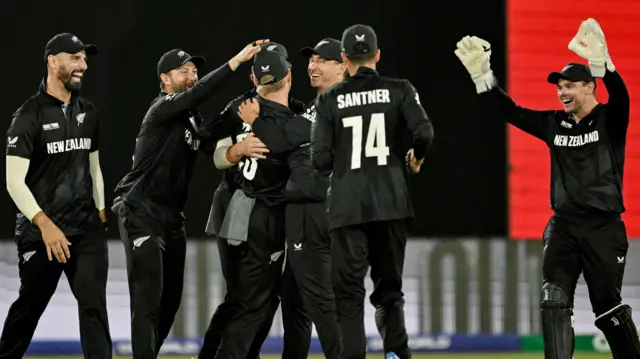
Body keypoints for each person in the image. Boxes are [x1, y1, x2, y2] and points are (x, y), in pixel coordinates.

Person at [454, 18, 640, 359]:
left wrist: (606, 67)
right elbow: (509, 111)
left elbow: (623, 96)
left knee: (608, 308)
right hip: (564, 226)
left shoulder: (610, 120)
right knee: (553, 300)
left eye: (570, 85)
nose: (562, 92)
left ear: (589, 87)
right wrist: (484, 78)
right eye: (559, 87)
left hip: (604, 228)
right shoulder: (554, 124)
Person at [111, 39, 268, 359]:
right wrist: (236, 61)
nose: (191, 74)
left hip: (171, 219)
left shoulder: (190, 119)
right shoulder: (162, 108)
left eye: (194, 70)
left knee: (169, 302)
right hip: (140, 210)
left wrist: (250, 99)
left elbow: (211, 137)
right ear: (164, 80)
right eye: (183, 70)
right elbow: (200, 93)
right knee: (148, 301)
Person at [310, 24, 434, 359]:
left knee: (348, 297)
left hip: (348, 207)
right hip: (391, 203)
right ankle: (395, 354)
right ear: (377, 55)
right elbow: (424, 132)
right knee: (389, 291)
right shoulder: (400, 89)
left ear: (345, 58)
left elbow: (319, 159)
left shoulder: (329, 100)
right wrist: (415, 158)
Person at [1, 32, 112, 358]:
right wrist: (44, 224)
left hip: (85, 229)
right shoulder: (28, 116)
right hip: (42, 234)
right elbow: (13, 182)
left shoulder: (88, 111)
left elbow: (94, 167)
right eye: (75, 58)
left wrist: (101, 210)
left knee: (94, 310)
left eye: (85, 59)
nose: (83, 65)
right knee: (28, 311)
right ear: (53, 61)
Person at [236, 37, 347, 359]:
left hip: (314, 212)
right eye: (311, 60)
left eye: (322, 60)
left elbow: (282, 142)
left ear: (342, 65)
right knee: (296, 297)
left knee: (319, 301)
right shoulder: (325, 105)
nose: (312, 66)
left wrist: (254, 119)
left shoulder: (332, 102)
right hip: (314, 211)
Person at [199, 42, 305, 359]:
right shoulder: (295, 119)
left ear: (254, 76)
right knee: (252, 303)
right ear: (289, 74)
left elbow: (202, 138)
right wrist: (235, 151)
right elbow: (212, 146)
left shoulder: (246, 107)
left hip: (240, 210)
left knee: (247, 299)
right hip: (254, 214)